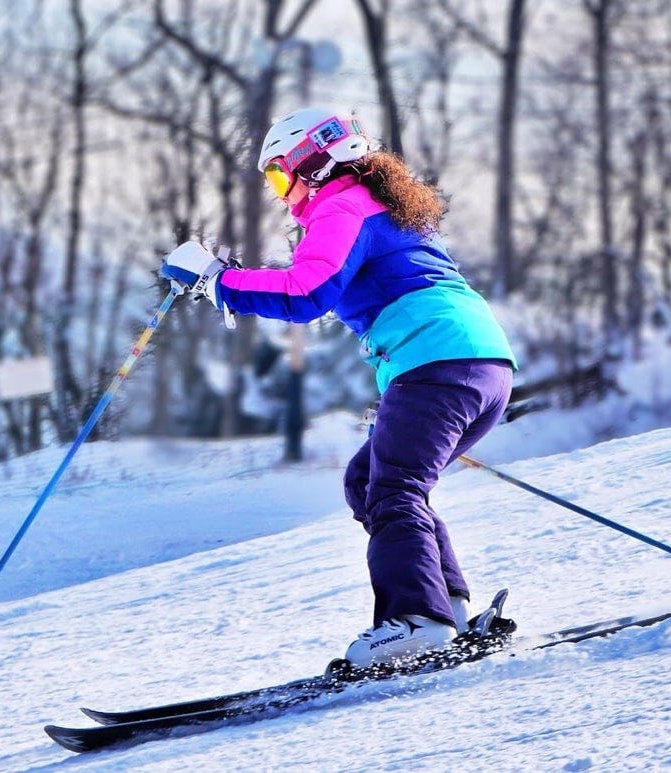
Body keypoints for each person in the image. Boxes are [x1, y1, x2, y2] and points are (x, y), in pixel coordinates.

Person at [159, 107, 517, 667]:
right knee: (372, 479)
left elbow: (308, 292)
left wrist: (218, 283)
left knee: (392, 487)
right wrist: (227, 281)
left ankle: (418, 622)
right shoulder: (377, 203)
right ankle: (446, 606)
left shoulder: (342, 203)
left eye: (279, 175)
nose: (281, 194)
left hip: (438, 363)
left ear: (312, 160)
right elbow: (324, 277)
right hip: (480, 365)